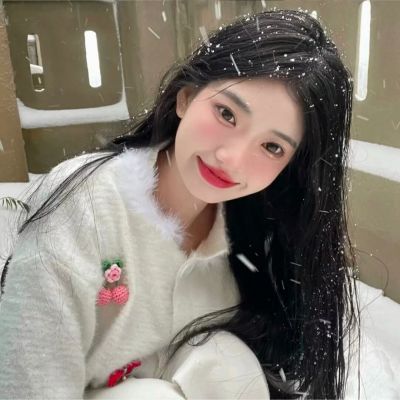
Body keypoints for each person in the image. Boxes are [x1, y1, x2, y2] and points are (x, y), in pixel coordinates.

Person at [0, 9, 359, 400]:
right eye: (227, 113)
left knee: (229, 365)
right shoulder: (85, 207)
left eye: (272, 147)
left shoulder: (255, 230)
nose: (231, 158)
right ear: (186, 97)